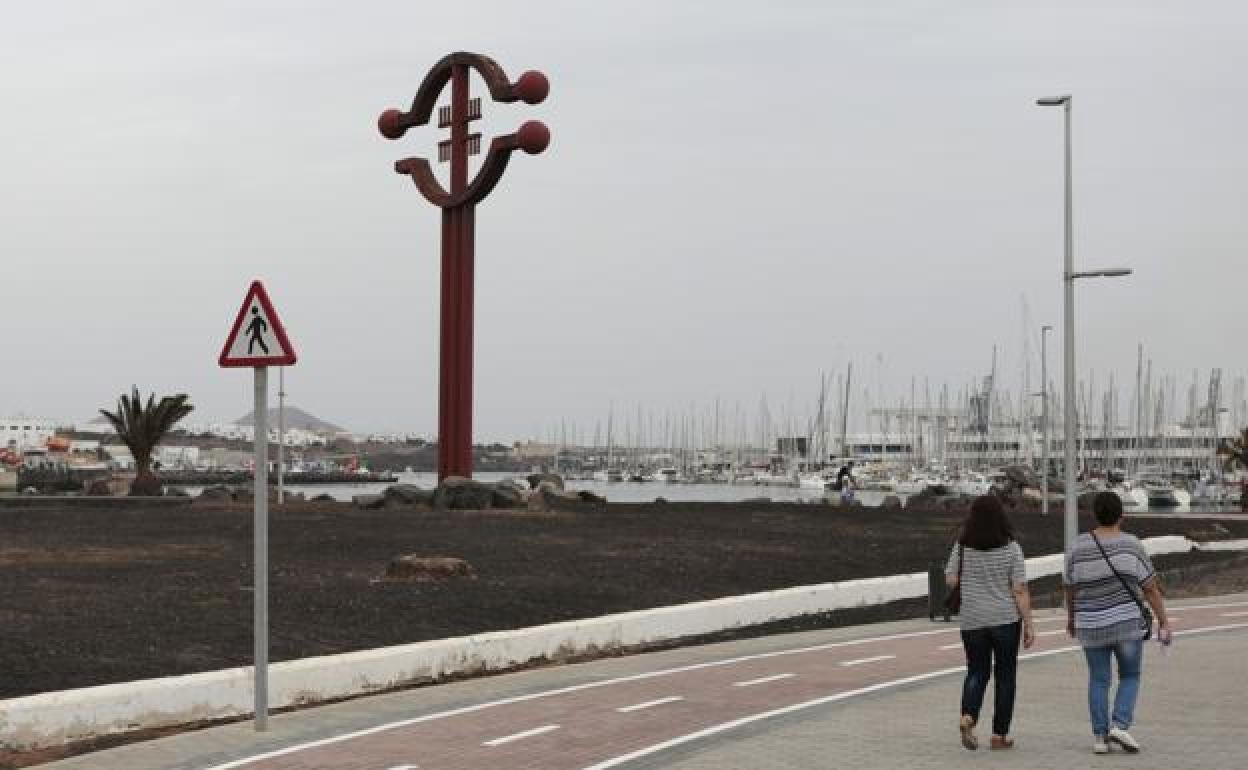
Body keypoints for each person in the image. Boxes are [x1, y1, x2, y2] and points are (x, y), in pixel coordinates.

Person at [1064, 491, 1172, 755]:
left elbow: (1070, 588)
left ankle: (1100, 738)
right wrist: (1163, 621)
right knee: (1130, 675)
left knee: (1098, 679)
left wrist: (1072, 618)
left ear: (1094, 515)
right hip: (1126, 624)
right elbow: (1150, 588)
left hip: (1091, 624)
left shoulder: (1077, 547)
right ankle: (1120, 725)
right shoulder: (1131, 545)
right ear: (1121, 515)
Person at [945, 495, 1035, 750]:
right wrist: (1029, 624)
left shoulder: (963, 546)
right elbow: (1019, 589)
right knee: (1005, 676)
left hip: (972, 619)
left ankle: (968, 716)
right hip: (1005, 619)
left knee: (976, 671)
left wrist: (971, 581)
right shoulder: (1011, 548)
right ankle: (999, 735)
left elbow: (950, 578)